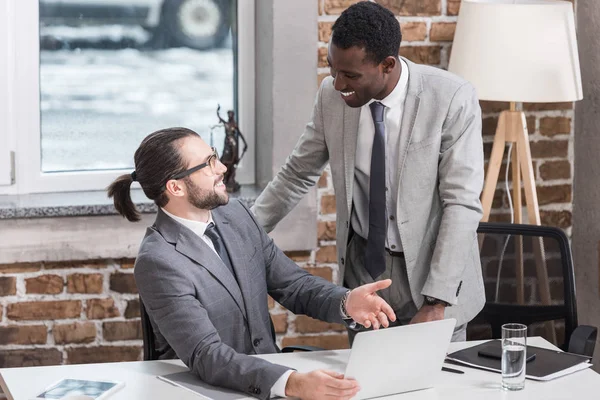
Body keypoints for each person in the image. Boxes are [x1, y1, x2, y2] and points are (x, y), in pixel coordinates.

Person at [251, 2, 485, 342]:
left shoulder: (450, 98)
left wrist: (437, 302)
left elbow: (461, 203)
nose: (337, 83)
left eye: (350, 75)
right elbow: (296, 174)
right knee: (368, 388)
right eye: (333, 69)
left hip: (430, 275)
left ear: (387, 65)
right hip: (364, 273)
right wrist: (240, 234)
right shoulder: (332, 97)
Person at [107, 127, 397, 400]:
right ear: (176, 187)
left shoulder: (235, 215)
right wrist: (292, 383)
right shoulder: (159, 260)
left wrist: (346, 302)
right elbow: (207, 355)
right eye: (208, 164)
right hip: (216, 390)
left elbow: (293, 285)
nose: (221, 168)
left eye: (216, 157)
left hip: (269, 379)